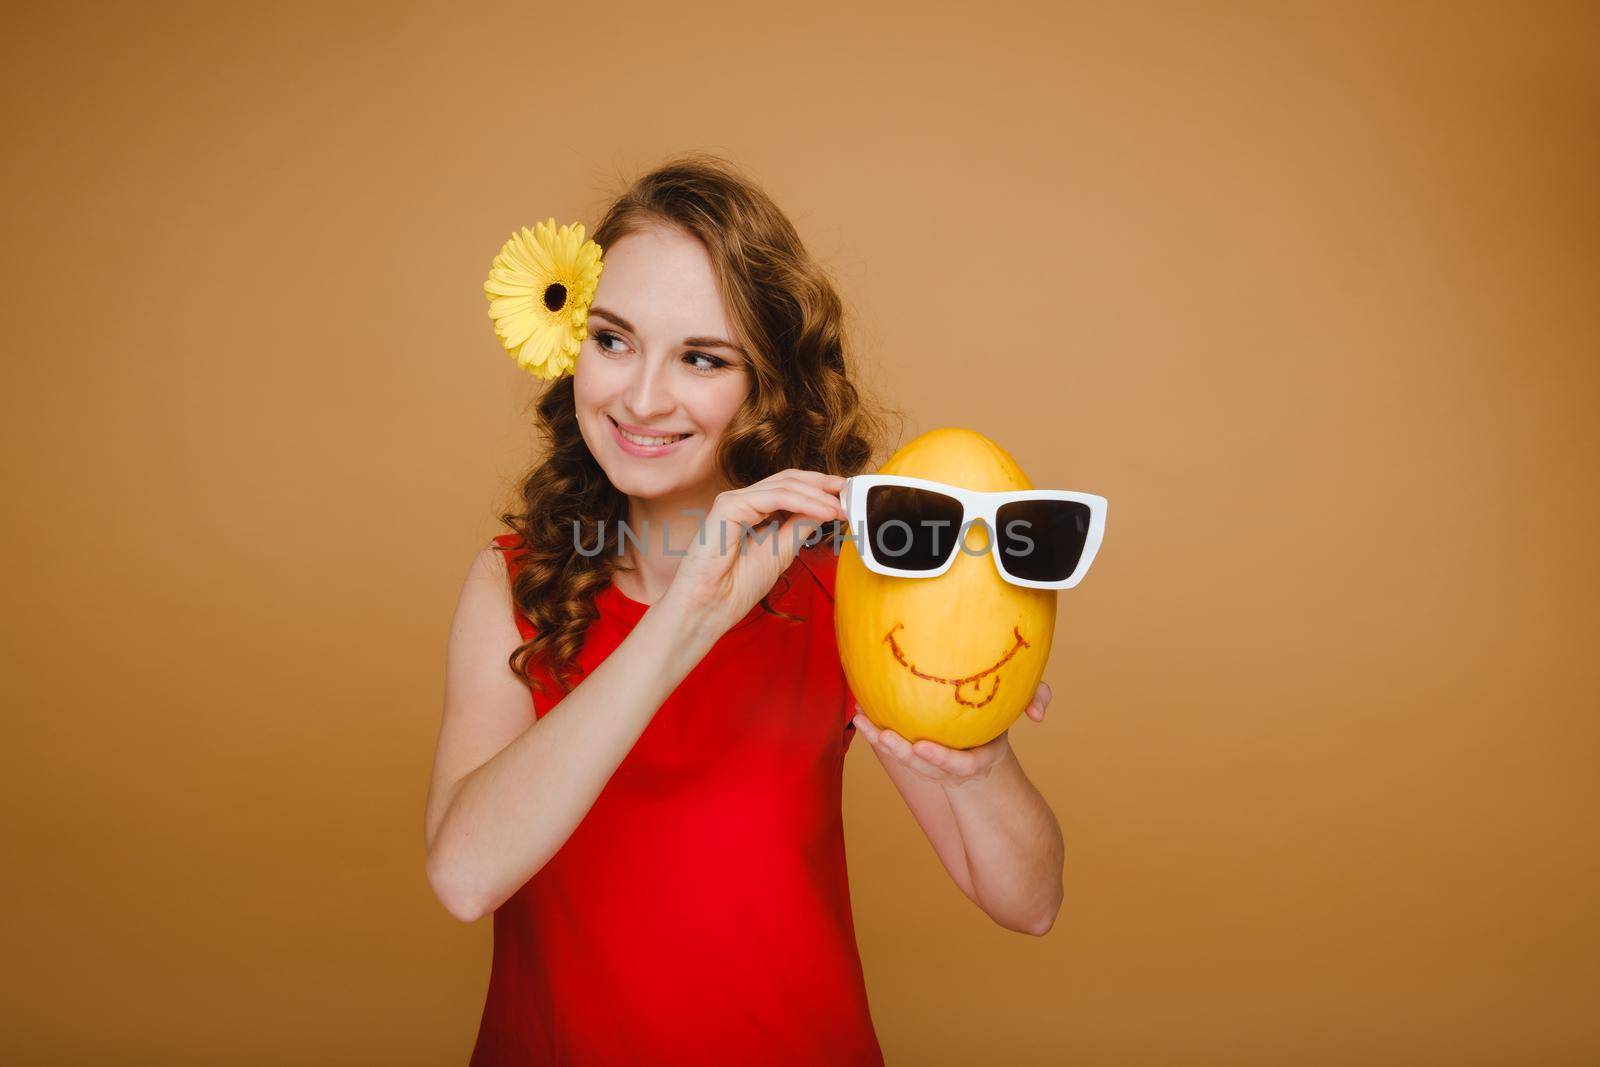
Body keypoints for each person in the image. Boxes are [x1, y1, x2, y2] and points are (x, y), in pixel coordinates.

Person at [425, 153, 1065, 1067]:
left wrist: (980, 762)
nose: (642, 396)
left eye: (701, 358)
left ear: (767, 381)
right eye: (612, 340)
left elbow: (1029, 902)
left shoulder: (846, 582)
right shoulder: (514, 582)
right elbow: (462, 875)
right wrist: (685, 621)